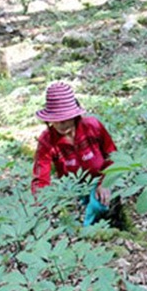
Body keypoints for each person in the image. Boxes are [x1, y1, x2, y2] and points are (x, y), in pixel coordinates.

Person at [31, 82, 117, 225]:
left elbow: (112, 155)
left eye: (64, 119)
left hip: (99, 179)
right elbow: (41, 177)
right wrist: (41, 203)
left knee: (97, 204)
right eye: (55, 120)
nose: (60, 125)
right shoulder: (47, 140)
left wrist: (105, 182)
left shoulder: (92, 127)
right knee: (73, 212)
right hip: (72, 187)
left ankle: (88, 231)